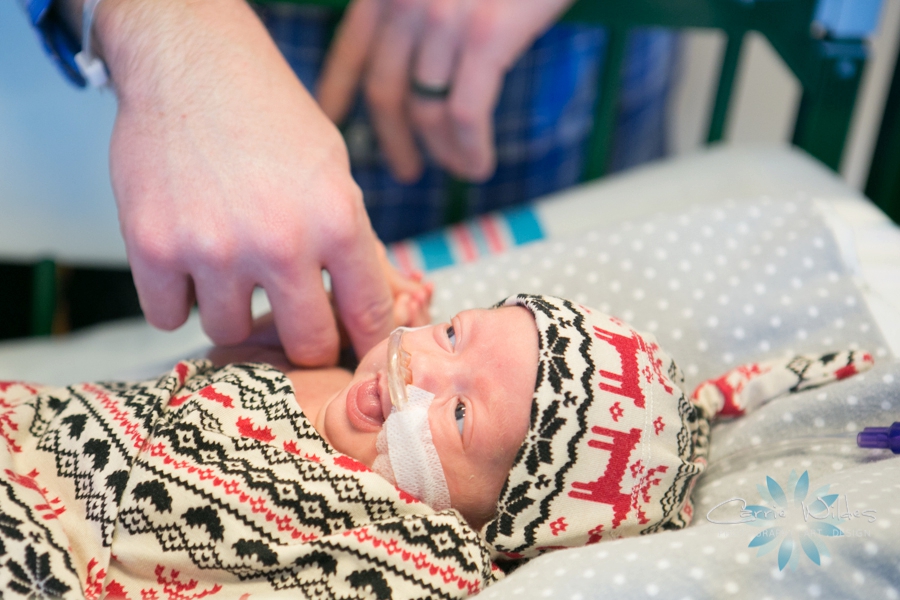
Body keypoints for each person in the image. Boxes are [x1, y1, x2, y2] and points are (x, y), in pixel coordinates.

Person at [0, 290, 872, 598]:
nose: (415, 368)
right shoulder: (336, 368)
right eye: (455, 333)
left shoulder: (416, 549)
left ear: (498, 522)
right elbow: (156, 399)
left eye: (459, 418)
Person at [21, 0, 679, 366]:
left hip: (557, 124)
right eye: (449, 339)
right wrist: (162, 24)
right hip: (130, 146)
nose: (411, 379)